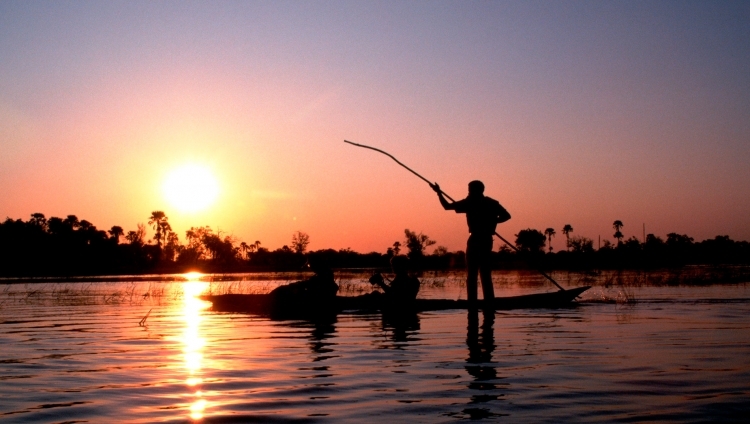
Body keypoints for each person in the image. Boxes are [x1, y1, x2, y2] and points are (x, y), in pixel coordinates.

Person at [430, 180, 510, 303]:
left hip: (476, 240)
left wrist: (438, 193)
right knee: (485, 272)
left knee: (473, 273)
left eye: (470, 190)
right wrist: (493, 222)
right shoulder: (490, 203)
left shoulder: (471, 202)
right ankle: (488, 301)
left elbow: (447, 206)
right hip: (487, 239)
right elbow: (506, 216)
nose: (468, 192)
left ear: (476, 190)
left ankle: (473, 302)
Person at [269, 257, 338, 311]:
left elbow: (310, 284)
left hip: (320, 299)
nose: (310, 267)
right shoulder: (321, 273)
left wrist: (295, 286)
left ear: (316, 264)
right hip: (319, 297)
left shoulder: (324, 274)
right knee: (284, 289)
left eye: (310, 265)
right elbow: (308, 283)